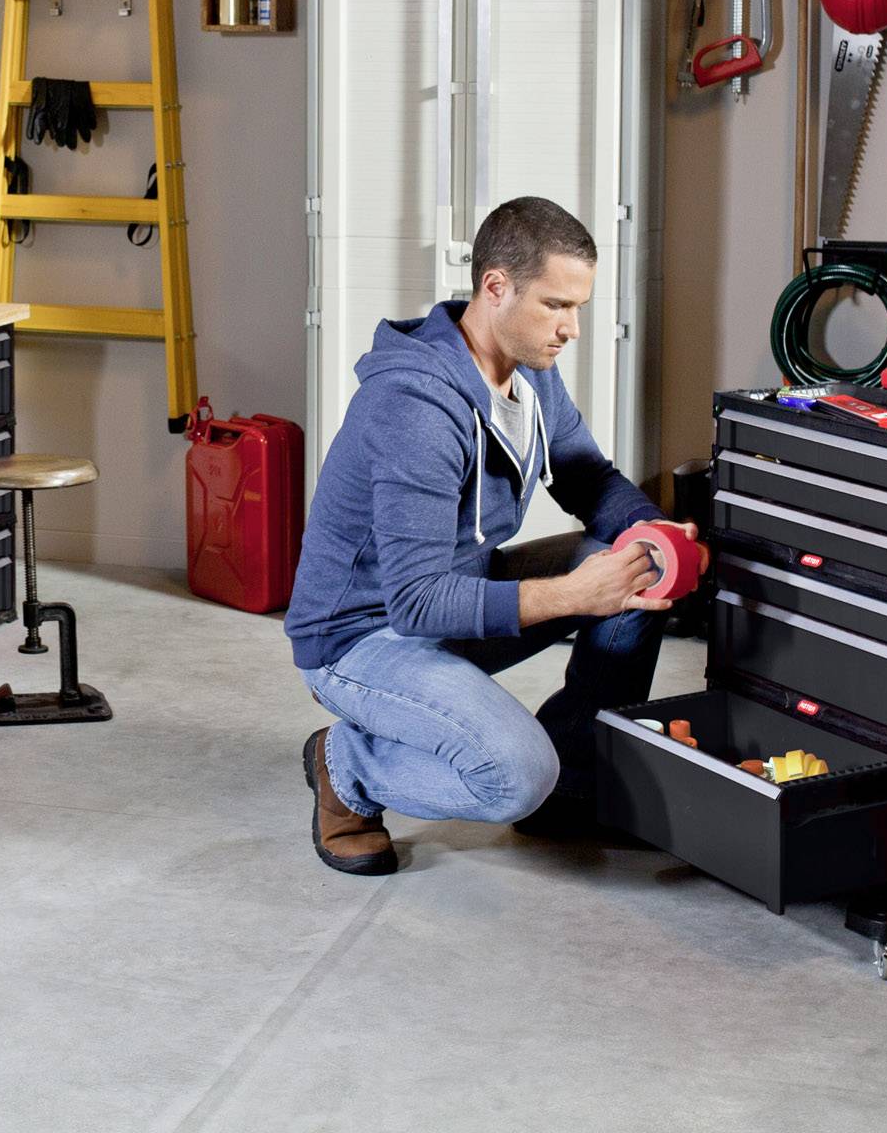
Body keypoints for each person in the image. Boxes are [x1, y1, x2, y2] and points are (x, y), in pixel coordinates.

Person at [286, 196, 689, 874]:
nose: (572, 329)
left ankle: (571, 786)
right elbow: (413, 604)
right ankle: (345, 768)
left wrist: (650, 532)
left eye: (578, 308)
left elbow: (587, 477)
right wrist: (571, 596)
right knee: (514, 773)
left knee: (628, 568)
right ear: (496, 286)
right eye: (556, 306)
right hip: (361, 637)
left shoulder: (532, 376)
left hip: (452, 599)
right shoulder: (415, 406)